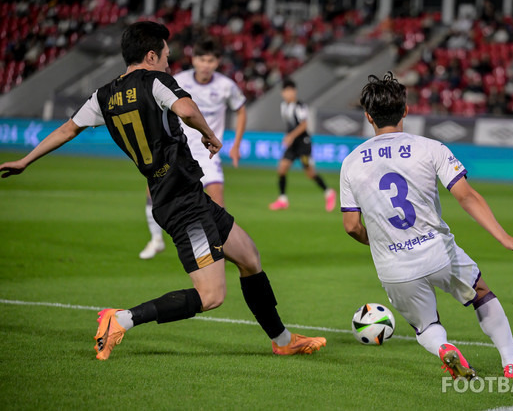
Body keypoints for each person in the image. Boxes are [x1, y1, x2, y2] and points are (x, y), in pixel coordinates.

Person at [0, 21, 326, 360]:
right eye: (167, 56)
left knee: (249, 257)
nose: (170, 63)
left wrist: (26, 160)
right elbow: (185, 109)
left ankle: (284, 340)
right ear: (151, 55)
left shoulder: (103, 95)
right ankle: (122, 319)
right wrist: (209, 134)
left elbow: (68, 129)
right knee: (212, 295)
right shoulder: (155, 81)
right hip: (182, 204)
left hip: (183, 194)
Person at [340, 72, 513, 379]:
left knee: (426, 326)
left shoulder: (351, 162)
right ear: (405, 110)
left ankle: (444, 347)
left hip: (393, 266)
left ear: (368, 117)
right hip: (438, 252)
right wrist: (505, 237)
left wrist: (379, 242)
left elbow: (351, 225)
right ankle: (511, 363)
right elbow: (467, 196)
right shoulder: (430, 148)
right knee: (481, 293)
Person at [139, 37, 247, 260]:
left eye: (210, 60)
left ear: (217, 62)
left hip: (209, 153)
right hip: (178, 150)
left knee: (218, 205)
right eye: (201, 59)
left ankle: (220, 251)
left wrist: (236, 144)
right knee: (153, 192)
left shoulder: (226, 86)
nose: (206, 65)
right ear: (194, 60)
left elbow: (241, 109)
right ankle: (156, 239)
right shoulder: (178, 80)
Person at [269, 78, 336, 211]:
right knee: (282, 168)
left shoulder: (300, 106)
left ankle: (329, 192)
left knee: (310, 173)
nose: (287, 94)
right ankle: (283, 199)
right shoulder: (283, 106)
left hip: (303, 144)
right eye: (285, 91)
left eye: (290, 91)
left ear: (294, 91)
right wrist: (289, 136)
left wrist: (291, 136)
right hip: (292, 144)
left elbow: (304, 124)